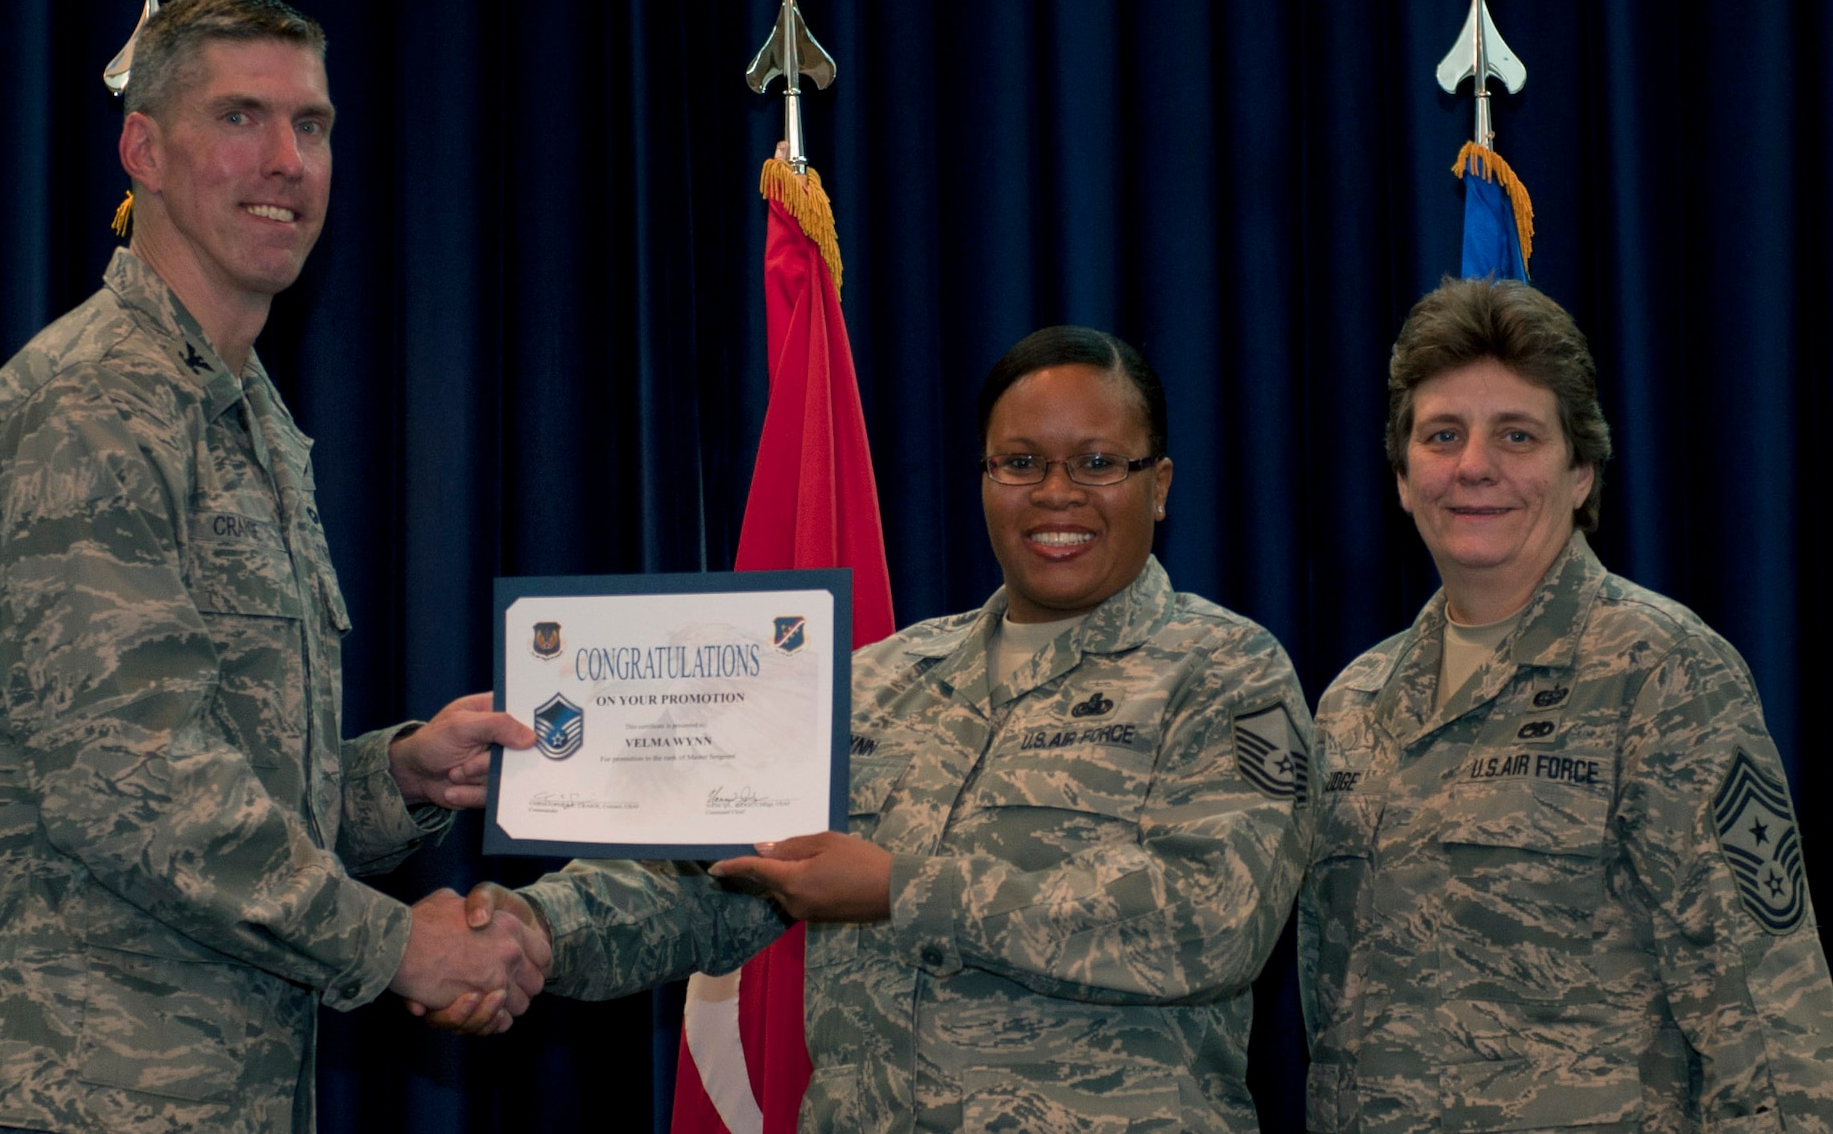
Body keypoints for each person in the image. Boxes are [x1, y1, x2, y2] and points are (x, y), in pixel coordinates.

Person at [0, 0, 547, 1134]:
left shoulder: (248, 419)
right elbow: (133, 784)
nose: (287, 160)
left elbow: (234, 773)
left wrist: (398, 776)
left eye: (312, 124)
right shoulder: (90, 408)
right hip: (66, 1092)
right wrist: (398, 944)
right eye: (240, 117)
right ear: (143, 150)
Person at [445, 326, 1314, 1130]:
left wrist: (903, 889)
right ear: (984, 478)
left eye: (1097, 463)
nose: (1057, 494)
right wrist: (532, 930)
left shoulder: (1227, 672)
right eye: (1020, 462)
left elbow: (1213, 923)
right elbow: (713, 878)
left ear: (1158, 486)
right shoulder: (875, 680)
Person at [1299, 278, 1833, 1132]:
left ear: (1581, 472)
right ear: (1401, 476)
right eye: (1442, 435)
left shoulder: (1664, 672)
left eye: (1517, 435)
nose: (1475, 465)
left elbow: (1768, 1013)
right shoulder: (1352, 705)